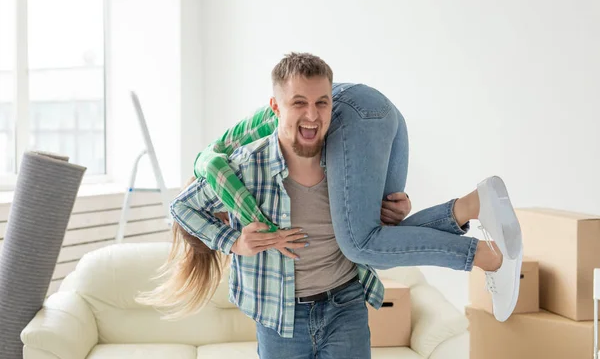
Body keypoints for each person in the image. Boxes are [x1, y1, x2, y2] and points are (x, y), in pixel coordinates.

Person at [138, 53, 520, 356]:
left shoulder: (232, 167)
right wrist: (233, 242)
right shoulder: (261, 175)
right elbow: (186, 211)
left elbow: (186, 203)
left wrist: (239, 236)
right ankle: (469, 206)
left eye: (319, 103)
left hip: (343, 302)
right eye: (300, 103)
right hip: (283, 319)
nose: (233, 219)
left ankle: (487, 257)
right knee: (376, 236)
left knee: (360, 243)